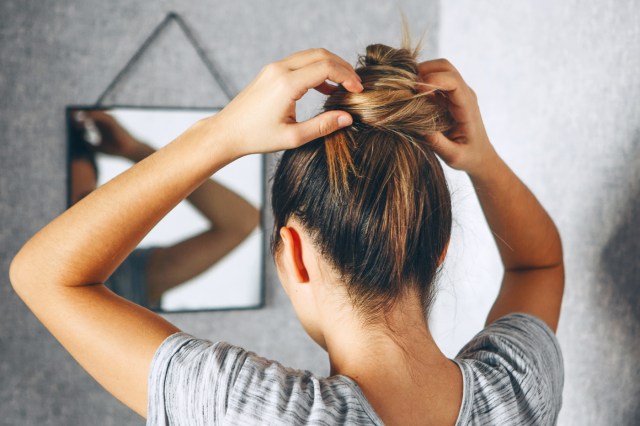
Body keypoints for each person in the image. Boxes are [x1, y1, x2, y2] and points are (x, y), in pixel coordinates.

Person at [10, 41, 564, 425]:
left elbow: (43, 276)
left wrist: (220, 133)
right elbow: (537, 266)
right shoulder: (518, 389)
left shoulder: (250, 411)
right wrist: (484, 159)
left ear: (294, 255)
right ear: (438, 251)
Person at [68, 111, 260, 308]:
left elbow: (241, 222)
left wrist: (139, 152)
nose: (74, 218)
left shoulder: (121, 275)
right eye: (63, 206)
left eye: (84, 203)